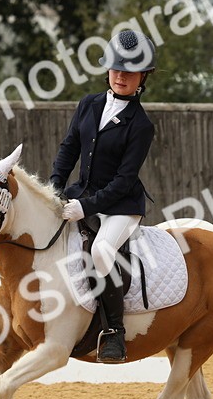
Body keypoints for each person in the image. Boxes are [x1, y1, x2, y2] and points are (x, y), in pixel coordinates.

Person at [50, 29, 157, 363]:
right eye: (115, 68)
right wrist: (54, 187)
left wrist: (85, 206)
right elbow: (69, 149)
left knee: (100, 250)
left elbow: (125, 180)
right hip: (81, 194)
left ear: (143, 77)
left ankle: (114, 332)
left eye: (129, 71)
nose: (121, 75)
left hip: (121, 206)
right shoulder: (89, 104)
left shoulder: (141, 124)